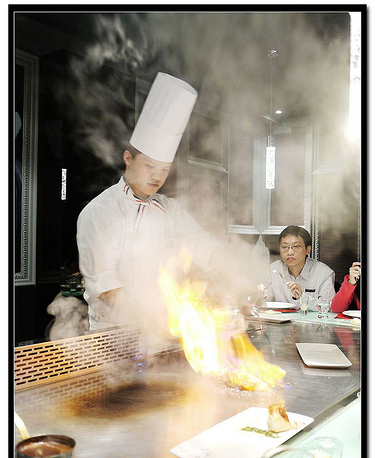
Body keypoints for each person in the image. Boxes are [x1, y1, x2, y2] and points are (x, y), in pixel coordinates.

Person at [77, 72, 258, 352]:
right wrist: (166, 319)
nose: (157, 177)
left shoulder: (168, 209)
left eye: (164, 169)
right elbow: (108, 288)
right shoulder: (98, 213)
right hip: (112, 339)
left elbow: (201, 243)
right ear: (128, 158)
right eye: (150, 167)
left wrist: (235, 273)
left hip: (160, 337)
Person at [263, 225, 336, 308]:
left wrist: (302, 297)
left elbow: (328, 308)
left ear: (307, 250)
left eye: (296, 246)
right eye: (284, 247)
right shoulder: (273, 269)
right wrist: (259, 297)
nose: (290, 252)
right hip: (280, 319)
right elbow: (264, 303)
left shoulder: (324, 273)